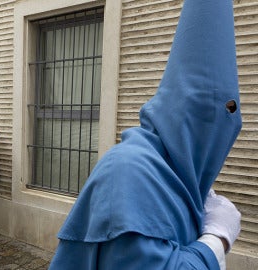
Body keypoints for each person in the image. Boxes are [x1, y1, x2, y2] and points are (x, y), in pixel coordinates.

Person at [49, 0, 242, 269]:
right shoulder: (129, 169)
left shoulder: (179, 173)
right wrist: (217, 238)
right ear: (177, 107)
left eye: (232, 113)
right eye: (210, 112)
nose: (220, 129)